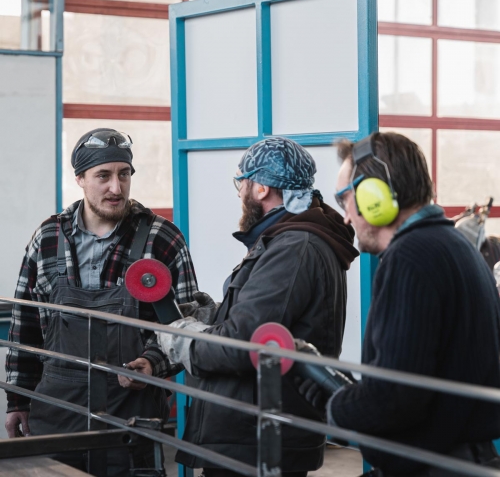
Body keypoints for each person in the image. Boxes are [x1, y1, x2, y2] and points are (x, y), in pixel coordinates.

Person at [156, 136, 359, 477]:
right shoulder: (289, 239)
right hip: (254, 433)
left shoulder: (295, 247)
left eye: (242, 182)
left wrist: (181, 337)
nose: (239, 193)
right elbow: (269, 320)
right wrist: (214, 313)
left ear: (261, 188)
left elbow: (245, 344)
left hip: (256, 437)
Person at [304, 131, 500, 476]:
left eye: (344, 199)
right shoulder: (453, 243)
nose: (346, 218)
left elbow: (394, 400)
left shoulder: (410, 258)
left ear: (373, 195)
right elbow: (413, 376)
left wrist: (335, 405)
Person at [5, 128, 198, 475]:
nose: (116, 188)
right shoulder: (47, 238)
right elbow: (25, 325)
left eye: (124, 175)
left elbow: (183, 325)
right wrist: (17, 401)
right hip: (56, 413)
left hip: (132, 414)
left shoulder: (162, 239)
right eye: (103, 176)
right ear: (79, 178)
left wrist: (153, 362)